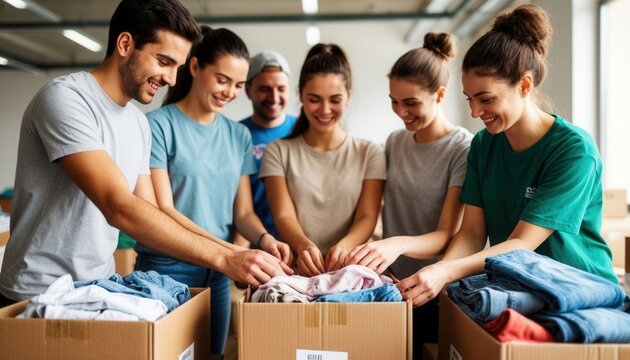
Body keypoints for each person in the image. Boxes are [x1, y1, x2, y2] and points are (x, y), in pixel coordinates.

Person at [0, 0, 289, 308]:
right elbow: (119, 206)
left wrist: (237, 253)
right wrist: (224, 257)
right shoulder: (66, 99)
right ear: (125, 44)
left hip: (97, 288)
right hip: (36, 292)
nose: (172, 79)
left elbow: (153, 211)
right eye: (164, 61)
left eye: (177, 67)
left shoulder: (137, 122)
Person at [396, 4, 617, 310]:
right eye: (470, 99)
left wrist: (445, 271)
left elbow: (522, 244)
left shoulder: (573, 151)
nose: (475, 112)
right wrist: (439, 273)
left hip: (579, 293)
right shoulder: (484, 146)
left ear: (524, 85)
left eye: (486, 99)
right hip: (518, 286)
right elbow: (472, 233)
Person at [134, 26, 291, 356]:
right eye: (222, 80)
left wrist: (264, 240)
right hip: (166, 272)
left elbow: (244, 213)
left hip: (218, 274)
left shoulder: (238, 136)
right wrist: (232, 254)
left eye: (237, 85)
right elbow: (164, 210)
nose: (230, 92)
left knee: (214, 355)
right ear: (194, 68)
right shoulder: (158, 126)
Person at [345, 32, 472, 354]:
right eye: (394, 102)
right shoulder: (395, 142)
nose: (401, 112)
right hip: (393, 284)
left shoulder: (462, 148)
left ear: (439, 95)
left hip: (437, 287)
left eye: (411, 102)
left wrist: (395, 243)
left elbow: (448, 234)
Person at [261, 44, 387, 277]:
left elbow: (367, 216)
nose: (325, 109)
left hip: (350, 271)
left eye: (335, 99)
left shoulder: (370, 153)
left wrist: (344, 246)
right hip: (295, 273)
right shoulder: (277, 152)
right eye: (315, 99)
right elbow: (283, 216)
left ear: (348, 96)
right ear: (300, 96)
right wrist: (303, 245)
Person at [238, 50, 297, 244]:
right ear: (248, 90)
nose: (274, 96)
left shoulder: (303, 131)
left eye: (281, 88)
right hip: (257, 245)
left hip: (302, 245)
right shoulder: (237, 135)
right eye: (265, 89)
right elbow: (239, 208)